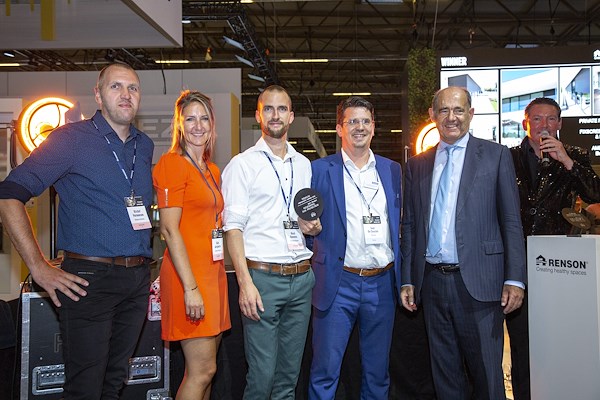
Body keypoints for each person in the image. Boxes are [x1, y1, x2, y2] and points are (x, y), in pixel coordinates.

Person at [0, 62, 154, 399]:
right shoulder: (70, 140)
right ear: (98, 95)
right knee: (85, 387)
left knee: (114, 383)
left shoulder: (143, 145)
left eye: (133, 87)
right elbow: (9, 196)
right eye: (116, 86)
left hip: (136, 279)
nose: (125, 94)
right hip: (88, 281)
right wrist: (38, 266)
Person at [400, 86, 526, 399]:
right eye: (444, 110)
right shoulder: (417, 165)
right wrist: (408, 279)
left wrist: (515, 279)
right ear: (432, 115)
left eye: (458, 110)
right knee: (445, 376)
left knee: (488, 377)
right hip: (432, 284)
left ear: (471, 114)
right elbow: (411, 226)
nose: (451, 117)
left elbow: (511, 221)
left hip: (481, 284)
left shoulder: (496, 155)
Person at [222, 85, 320, 399]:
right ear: (258, 115)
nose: (275, 115)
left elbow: (302, 221)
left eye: (281, 109)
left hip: (301, 278)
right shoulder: (242, 164)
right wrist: (245, 283)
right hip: (262, 279)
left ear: (291, 116)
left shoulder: (303, 164)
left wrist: (312, 227)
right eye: (268, 108)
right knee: (262, 377)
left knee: (288, 379)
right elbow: (232, 228)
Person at [307, 96, 401, 399]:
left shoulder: (392, 170)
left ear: (373, 127)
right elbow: (305, 223)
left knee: (377, 373)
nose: (359, 127)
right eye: (352, 121)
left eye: (365, 121)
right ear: (339, 128)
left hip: (382, 284)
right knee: (325, 371)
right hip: (337, 283)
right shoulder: (319, 170)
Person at [507, 97, 600, 400]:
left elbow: (595, 194)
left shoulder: (575, 155)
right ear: (526, 123)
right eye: (537, 119)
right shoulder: (507, 157)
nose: (543, 126)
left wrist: (568, 162)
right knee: (521, 344)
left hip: (557, 267)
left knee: (558, 341)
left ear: (559, 124)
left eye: (550, 119)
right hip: (517, 265)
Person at [153, 90, 231, 400]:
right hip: (189, 277)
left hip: (213, 275)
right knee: (201, 371)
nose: (198, 125)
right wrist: (190, 288)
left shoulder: (212, 170)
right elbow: (169, 230)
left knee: (207, 371)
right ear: (179, 125)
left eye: (204, 118)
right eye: (190, 119)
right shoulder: (172, 164)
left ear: (212, 124)